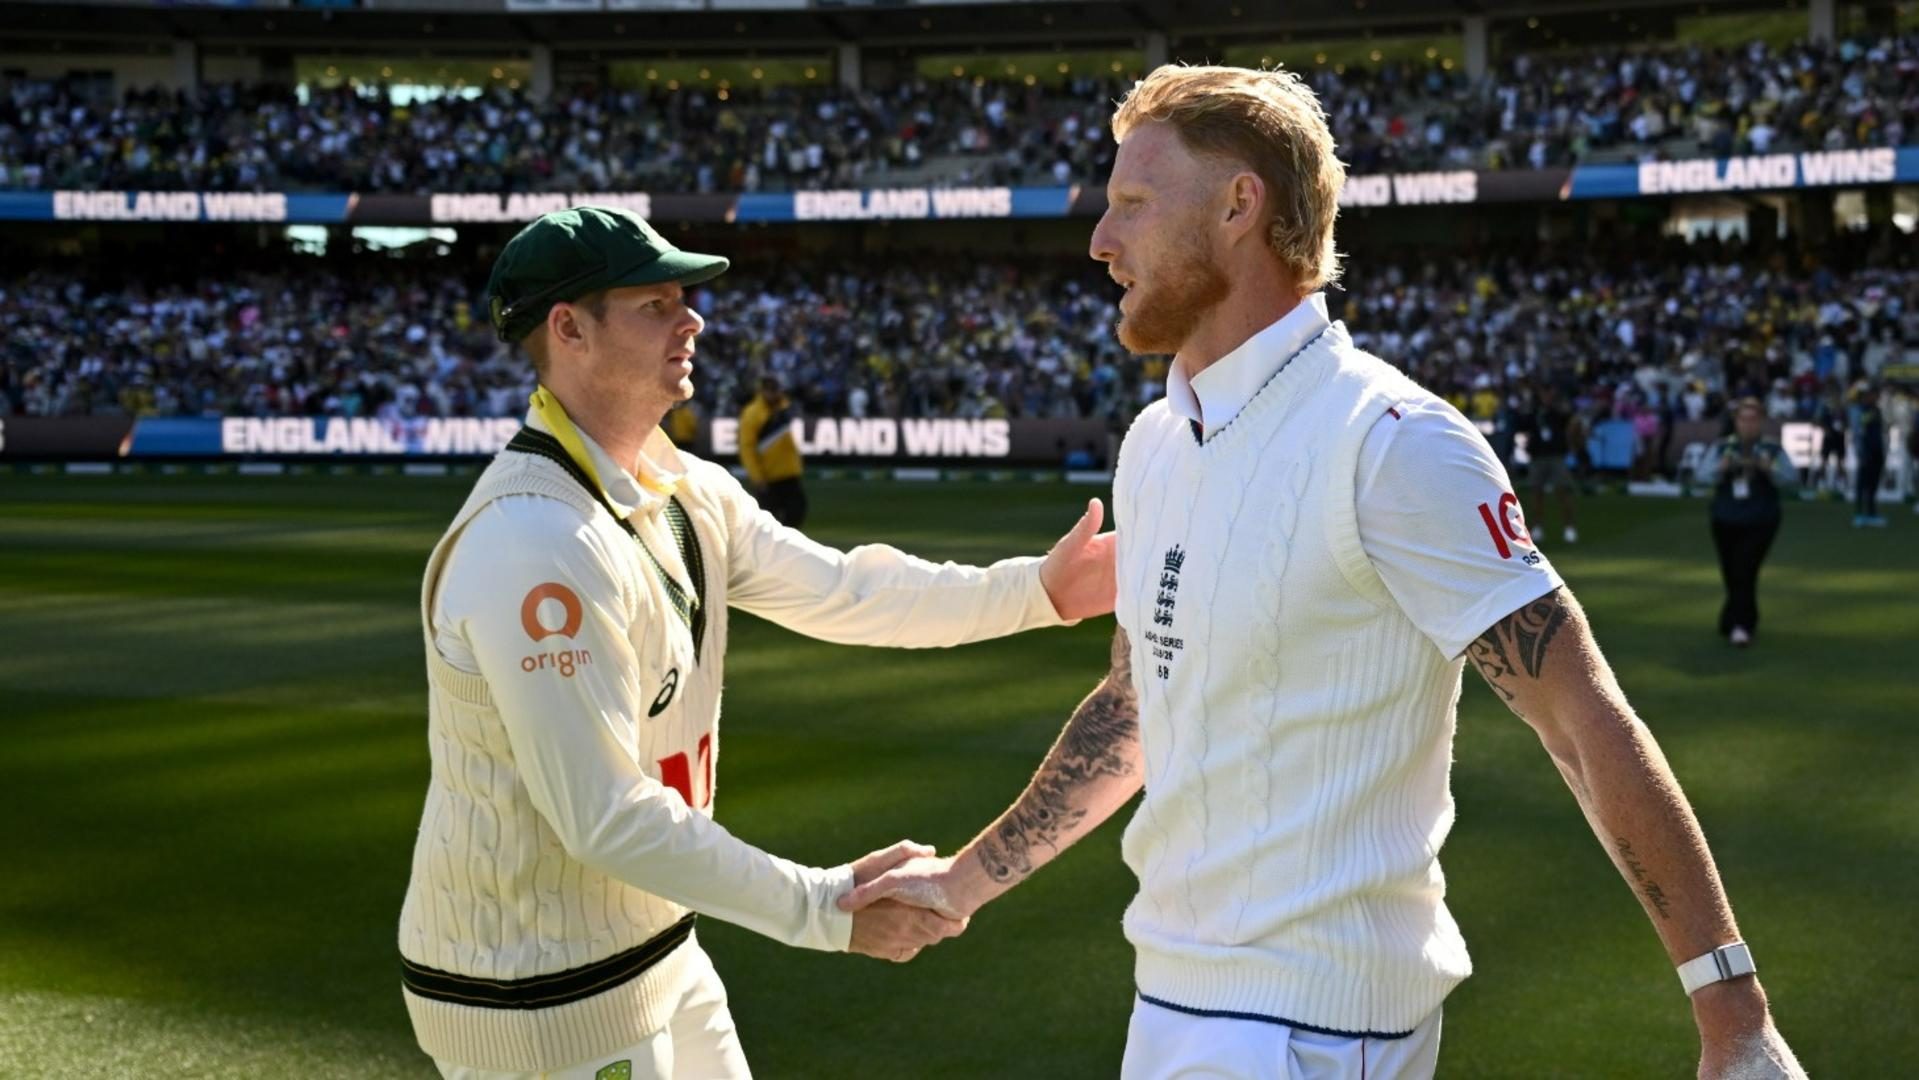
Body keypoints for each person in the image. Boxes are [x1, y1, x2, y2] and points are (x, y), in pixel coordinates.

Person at [842, 66, 1803, 1080]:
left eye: (1131, 202)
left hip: (1312, 1031)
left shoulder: (1389, 442)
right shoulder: (1155, 441)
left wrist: (1731, 1016)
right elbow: (1135, 705)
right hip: (1170, 997)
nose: (1099, 240)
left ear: (1237, 205)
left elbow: (1576, 718)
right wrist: (963, 882)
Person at [397, 206, 1118, 1080]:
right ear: (569, 328)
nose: (692, 318)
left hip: (652, 944)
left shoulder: (681, 485)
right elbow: (605, 815)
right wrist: (826, 906)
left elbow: (845, 590)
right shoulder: (535, 540)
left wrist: (1036, 591)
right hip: (540, 994)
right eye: (656, 303)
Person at [1708, 399, 1796, 646]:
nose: (1747, 425)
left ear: (1760, 422)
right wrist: (1720, 469)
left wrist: (1770, 470)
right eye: (1743, 419)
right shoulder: (1724, 447)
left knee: (1745, 568)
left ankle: (1740, 625)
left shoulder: (1771, 449)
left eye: (1753, 419)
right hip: (1725, 517)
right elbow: (1702, 475)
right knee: (1731, 571)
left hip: (1761, 518)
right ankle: (1734, 618)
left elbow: (1791, 479)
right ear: (1736, 421)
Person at [736, 374, 807, 526]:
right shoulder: (752, 414)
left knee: (796, 512)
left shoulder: (786, 408)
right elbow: (747, 449)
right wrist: (757, 478)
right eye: (770, 390)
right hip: (768, 477)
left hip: (789, 474)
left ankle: (785, 546)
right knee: (768, 523)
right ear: (762, 391)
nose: (774, 394)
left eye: (776, 390)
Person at [1520, 382, 1580, 543]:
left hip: (1555, 456)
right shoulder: (1533, 412)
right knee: (1536, 494)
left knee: (1563, 492)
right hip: (1538, 457)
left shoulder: (1559, 411)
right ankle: (1537, 527)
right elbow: (1523, 425)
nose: (1546, 396)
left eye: (1549, 393)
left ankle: (1569, 527)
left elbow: (1572, 422)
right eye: (1544, 393)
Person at [1851, 380, 1888, 527]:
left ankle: (1871, 512)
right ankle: (1859, 514)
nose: (1874, 397)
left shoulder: (1876, 410)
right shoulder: (1858, 410)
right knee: (1863, 483)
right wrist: (1861, 451)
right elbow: (1857, 431)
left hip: (1877, 450)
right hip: (1866, 451)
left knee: (1873, 484)